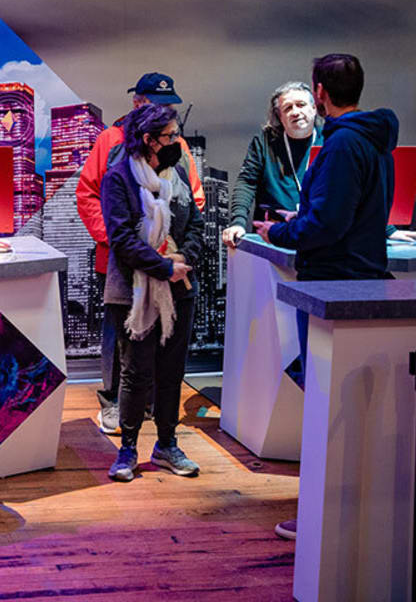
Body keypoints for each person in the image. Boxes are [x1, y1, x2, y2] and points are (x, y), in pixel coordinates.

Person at [253, 53, 397, 541]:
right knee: (343, 403)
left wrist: (278, 232)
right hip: (361, 280)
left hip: (331, 286)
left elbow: (325, 224)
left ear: (319, 94)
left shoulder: (340, 148)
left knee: (325, 402)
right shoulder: (376, 143)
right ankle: (344, 509)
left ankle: (320, 514)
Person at [76, 72, 204, 436]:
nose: (165, 110)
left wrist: (175, 253)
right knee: (121, 340)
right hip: (122, 263)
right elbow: (88, 194)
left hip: (170, 266)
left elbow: (193, 198)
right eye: (157, 103)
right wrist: (115, 240)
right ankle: (115, 404)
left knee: (165, 341)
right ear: (138, 102)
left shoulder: (177, 147)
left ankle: (151, 411)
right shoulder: (110, 140)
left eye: (170, 105)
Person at [101, 103, 205, 483]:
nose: (176, 141)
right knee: (136, 372)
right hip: (133, 291)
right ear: (148, 140)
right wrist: (163, 267)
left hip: (179, 289)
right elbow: (121, 238)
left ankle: (166, 444)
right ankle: (127, 449)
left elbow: (195, 221)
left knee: (171, 371)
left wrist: (182, 258)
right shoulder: (119, 178)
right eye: (170, 135)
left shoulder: (176, 173)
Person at [222, 81, 321, 248]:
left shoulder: (331, 140)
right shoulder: (264, 141)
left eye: (301, 105)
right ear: (280, 117)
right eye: (288, 108)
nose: (295, 112)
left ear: (314, 108)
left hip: (317, 232)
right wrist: (238, 221)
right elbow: (246, 182)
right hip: (272, 235)